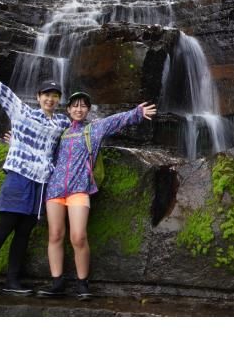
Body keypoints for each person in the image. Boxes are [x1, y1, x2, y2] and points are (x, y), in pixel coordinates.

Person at [0, 53, 71, 297]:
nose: (50, 99)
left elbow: (80, 128)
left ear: (59, 99)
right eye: (46, 95)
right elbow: (4, 94)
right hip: (19, 176)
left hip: (41, 183)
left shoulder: (61, 123)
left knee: (24, 233)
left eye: (55, 96)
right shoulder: (23, 113)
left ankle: (12, 280)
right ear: (39, 97)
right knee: (5, 227)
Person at [37, 91, 157, 300]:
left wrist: (137, 112)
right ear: (68, 109)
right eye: (75, 105)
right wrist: (15, 142)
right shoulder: (60, 131)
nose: (78, 109)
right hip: (55, 189)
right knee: (55, 234)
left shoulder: (93, 130)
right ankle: (57, 281)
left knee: (78, 236)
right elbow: (41, 145)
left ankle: (82, 283)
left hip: (79, 190)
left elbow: (115, 121)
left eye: (83, 106)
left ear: (88, 110)